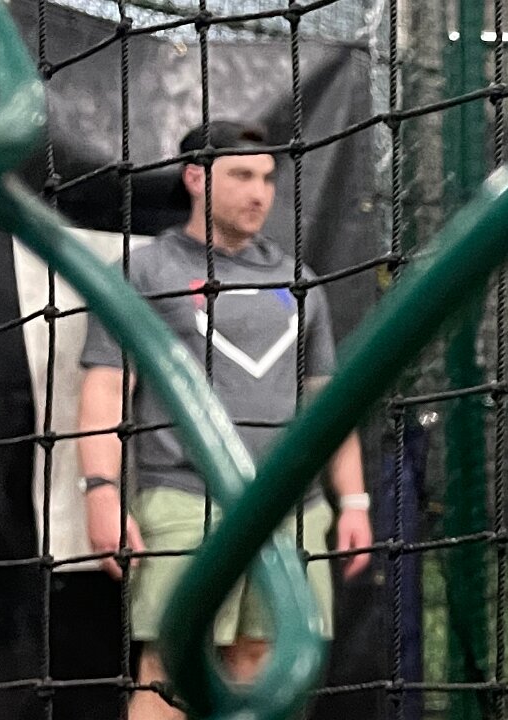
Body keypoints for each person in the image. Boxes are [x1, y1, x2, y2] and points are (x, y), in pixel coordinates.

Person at [76, 120, 373, 720]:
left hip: (291, 508)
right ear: (195, 178)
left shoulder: (301, 283)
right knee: (173, 670)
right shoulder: (145, 273)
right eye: (241, 175)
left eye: (266, 178)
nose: (259, 193)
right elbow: (106, 387)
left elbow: (326, 404)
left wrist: (355, 502)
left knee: (266, 673)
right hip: (186, 500)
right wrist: (101, 492)